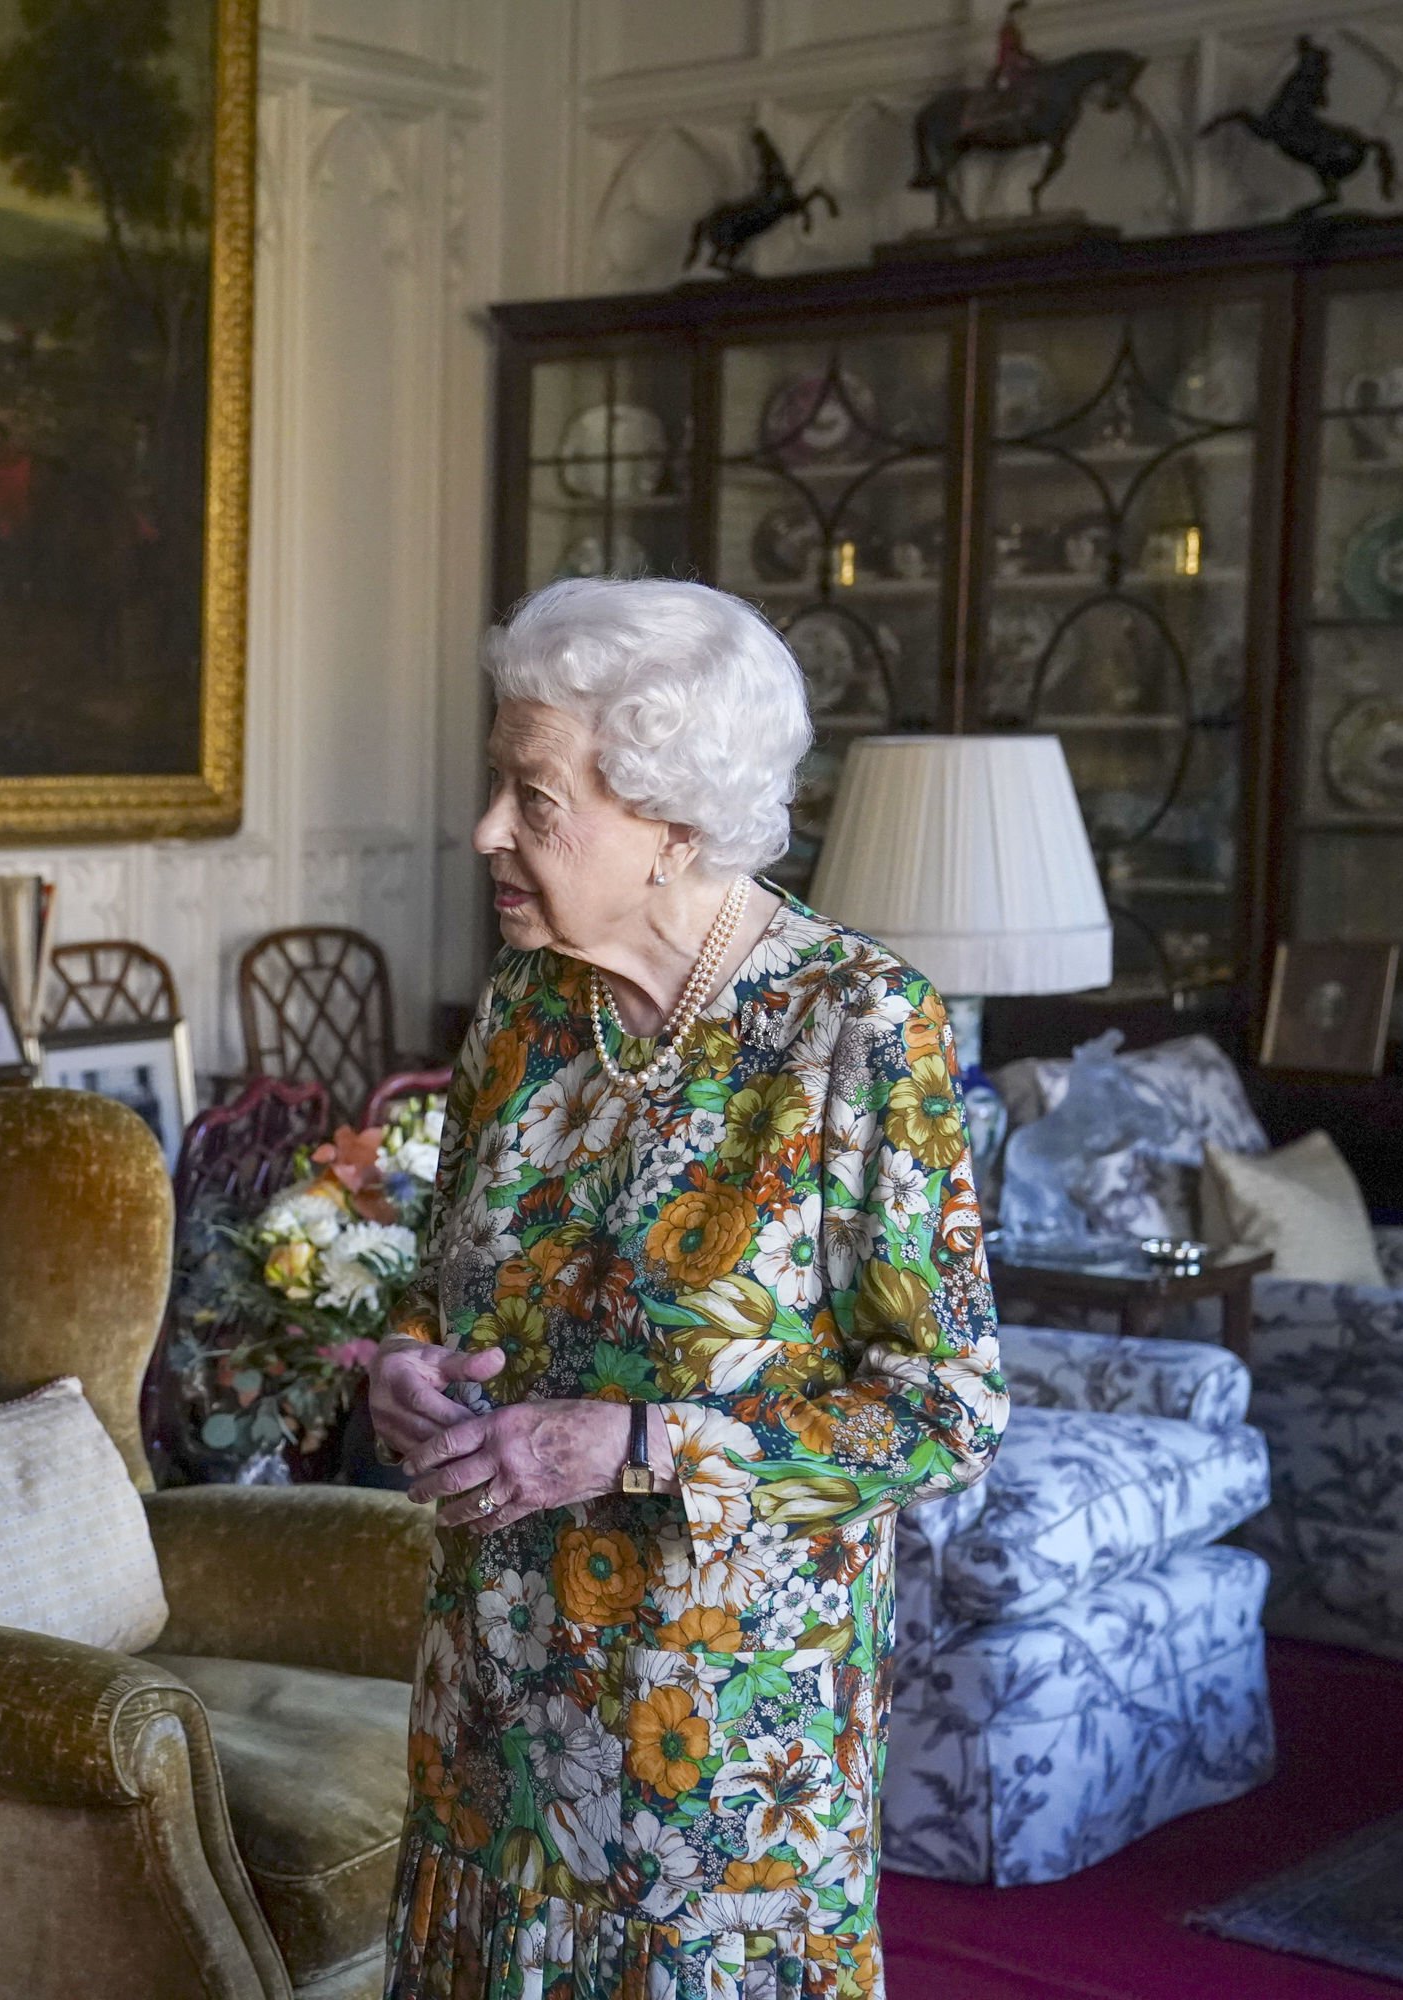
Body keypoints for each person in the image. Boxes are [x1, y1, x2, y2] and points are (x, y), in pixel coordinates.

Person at [373, 576, 1007, 2000]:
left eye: (533, 798)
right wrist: (408, 1364)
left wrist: (640, 1443)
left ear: (672, 826)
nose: (487, 831)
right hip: (493, 1710)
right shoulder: (525, 1012)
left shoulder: (855, 1027)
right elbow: (441, 1285)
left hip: (722, 1756)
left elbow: (945, 1412)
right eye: (499, 784)